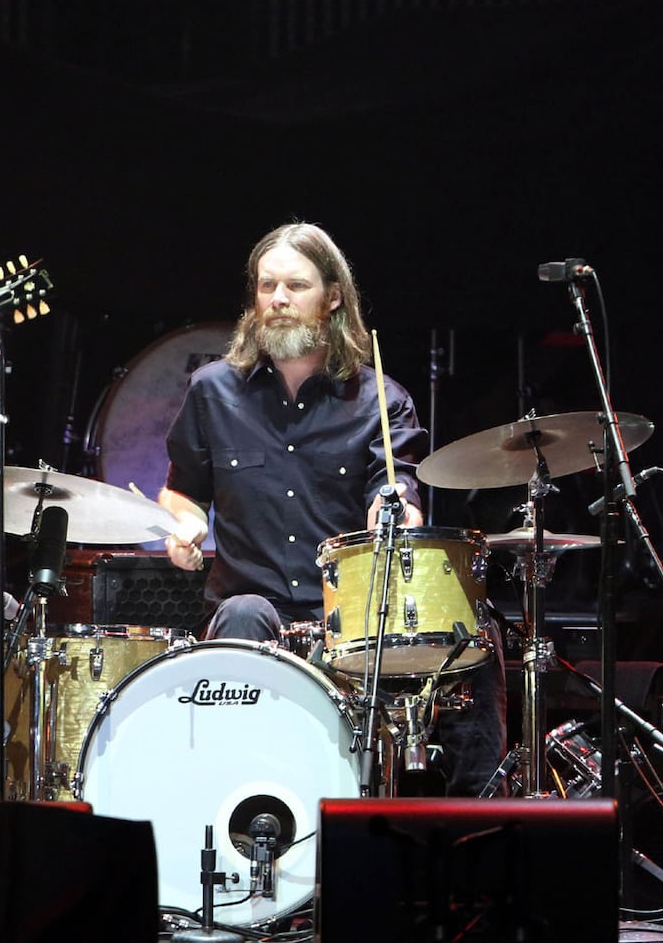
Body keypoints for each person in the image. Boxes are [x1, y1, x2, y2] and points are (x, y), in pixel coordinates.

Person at [158, 221, 505, 797]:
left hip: (346, 621)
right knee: (243, 613)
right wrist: (185, 522)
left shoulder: (382, 400)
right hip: (253, 607)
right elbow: (182, 490)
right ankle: (231, 804)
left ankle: (476, 821)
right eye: (267, 286)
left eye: (296, 286)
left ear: (333, 297)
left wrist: (396, 511)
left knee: (475, 634)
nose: (279, 300)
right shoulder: (211, 390)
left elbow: (397, 491)